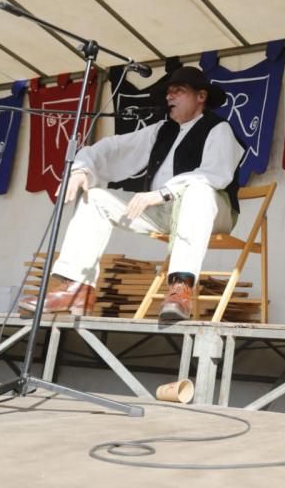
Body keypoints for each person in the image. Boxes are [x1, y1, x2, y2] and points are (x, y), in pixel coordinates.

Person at [18, 66, 243, 321]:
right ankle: (76, 288)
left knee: (198, 191)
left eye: (178, 91)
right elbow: (114, 148)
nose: (170, 97)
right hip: (163, 212)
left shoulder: (218, 128)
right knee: (95, 199)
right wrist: (82, 169)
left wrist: (164, 192)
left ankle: (181, 289)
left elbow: (215, 174)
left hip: (212, 212)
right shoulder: (161, 130)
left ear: (201, 97)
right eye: (168, 92)